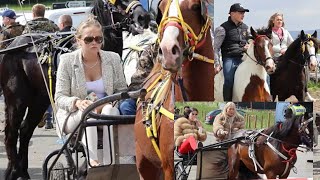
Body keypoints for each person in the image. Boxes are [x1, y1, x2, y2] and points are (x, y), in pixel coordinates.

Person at [55, 16, 128, 166]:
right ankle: (92, 160)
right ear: (79, 40)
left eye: (98, 39)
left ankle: (110, 162)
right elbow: (60, 97)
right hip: (75, 114)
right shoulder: (67, 61)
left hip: (106, 112)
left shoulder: (113, 59)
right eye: (89, 39)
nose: (94, 42)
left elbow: (122, 90)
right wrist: (77, 102)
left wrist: (109, 102)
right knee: (91, 114)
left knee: (110, 110)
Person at [267, 12, 315, 102]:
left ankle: (305, 90)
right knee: (271, 72)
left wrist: (290, 50)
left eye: (281, 20)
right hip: (275, 56)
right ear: (273, 21)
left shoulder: (285, 31)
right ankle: (271, 93)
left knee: (301, 67)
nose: (279, 21)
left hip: (287, 55)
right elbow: (269, 45)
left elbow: (292, 43)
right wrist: (279, 50)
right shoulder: (269, 32)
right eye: (277, 19)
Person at [213, 3, 250, 101]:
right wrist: (217, 64)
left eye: (244, 13)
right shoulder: (222, 28)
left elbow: (250, 41)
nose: (243, 15)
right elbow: (216, 48)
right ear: (232, 13)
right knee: (229, 80)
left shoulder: (246, 27)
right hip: (230, 58)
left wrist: (249, 46)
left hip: (244, 57)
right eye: (241, 12)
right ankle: (227, 101)